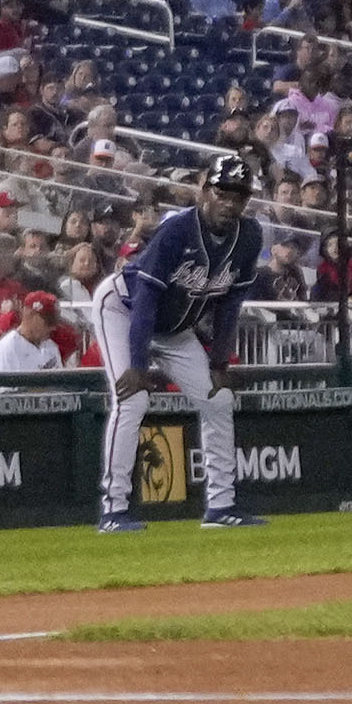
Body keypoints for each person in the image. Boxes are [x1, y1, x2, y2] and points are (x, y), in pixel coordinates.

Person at [93, 161, 265, 533]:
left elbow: (229, 305)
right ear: (204, 190)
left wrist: (219, 362)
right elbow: (146, 300)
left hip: (175, 329)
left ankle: (221, 506)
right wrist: (137, 365)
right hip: (123, 309)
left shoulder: (249, 236)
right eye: (221, 193)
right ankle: (114, 510)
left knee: (218, 399)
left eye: (238, 196)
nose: (228, 203)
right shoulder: (177, 229)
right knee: (132, 400)